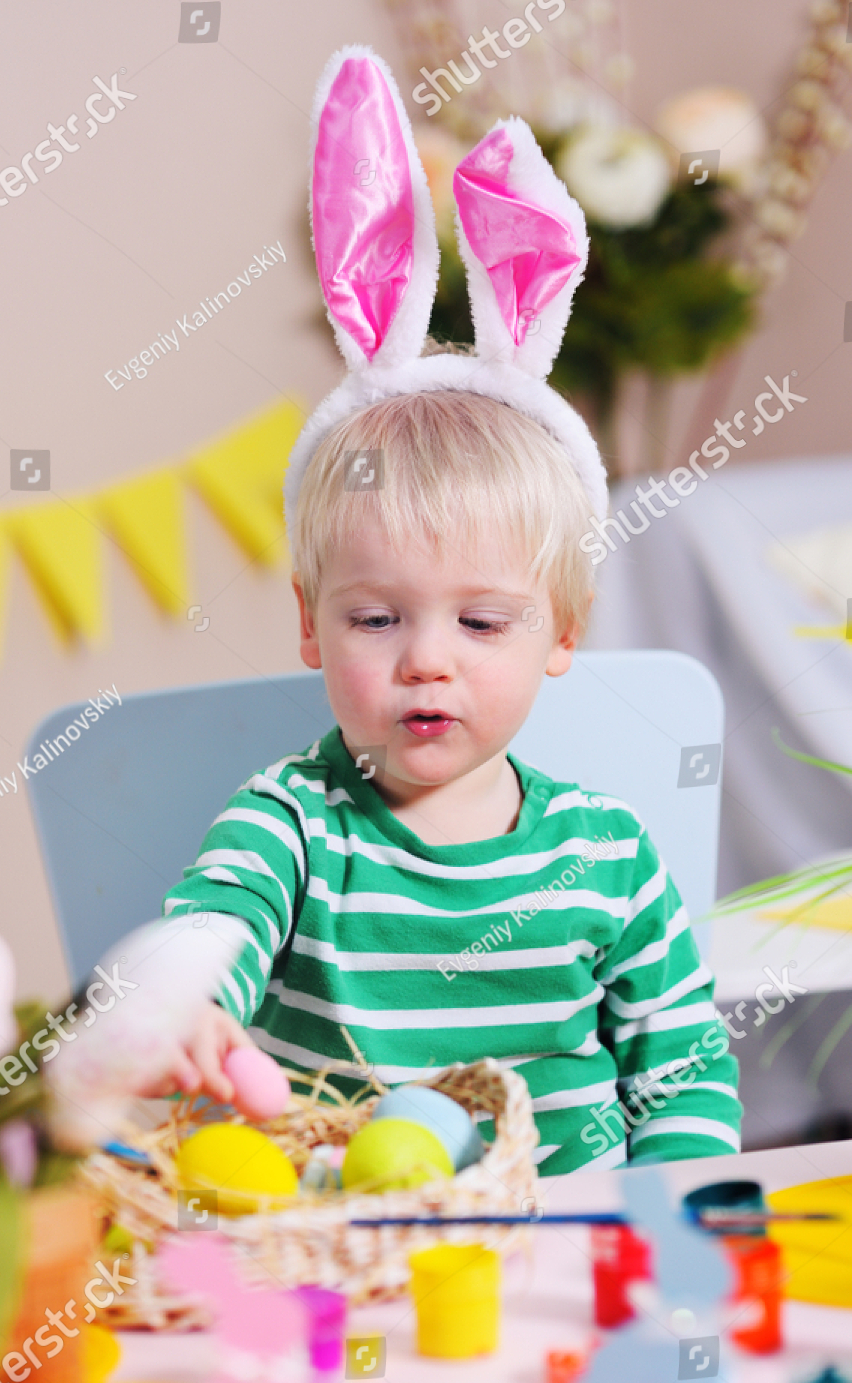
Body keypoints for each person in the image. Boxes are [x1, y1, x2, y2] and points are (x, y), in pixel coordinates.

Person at [49, 46, 741, 1174]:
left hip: (566, 1266)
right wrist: (175, 999)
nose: (426, 661)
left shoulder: (607, 854)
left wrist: (662, 1221)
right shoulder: (292, 824)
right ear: (312, 624)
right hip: (347, 1264)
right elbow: (216, 930)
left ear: (562, 630)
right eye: (377, 621)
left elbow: (682, 1071)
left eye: (481, 623)